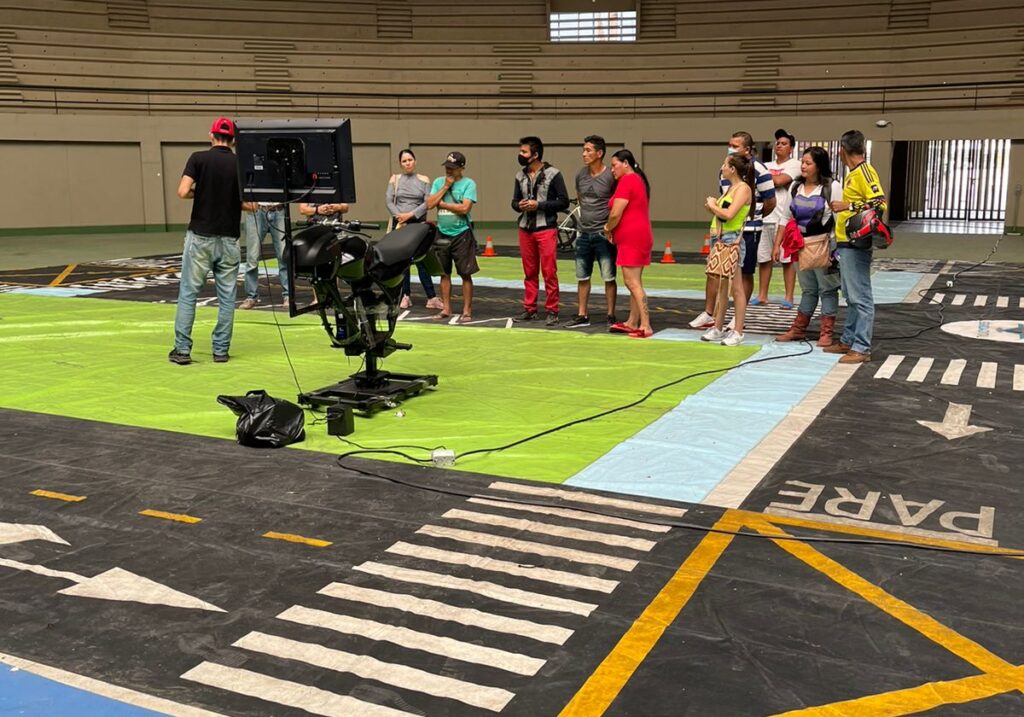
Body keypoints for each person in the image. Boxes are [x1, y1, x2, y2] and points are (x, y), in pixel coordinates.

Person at [169, 117, 246, 365]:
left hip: (200, 237)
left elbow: (182, 191)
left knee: (188, 293)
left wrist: (201, 192)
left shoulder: (198, 158)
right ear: (233, 140)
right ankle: (220, 351)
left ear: (211, 136)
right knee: (227, 298)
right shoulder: (240, 163)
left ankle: (182, 351)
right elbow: (251, 205)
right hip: (229, 239)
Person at [689, 132, 775, 328]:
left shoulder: (758, 172)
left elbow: (770, 200)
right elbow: (725, 204)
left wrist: (751, 216)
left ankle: (737, 319)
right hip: (723, 231)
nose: (731, 149)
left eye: (735, 146)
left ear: (747, 149)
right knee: (716, 274)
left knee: (742, 275)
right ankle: (711, 314)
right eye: (730, 144)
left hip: (743, 231)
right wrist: (715, 208)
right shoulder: (726, 173)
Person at [824, 129, 887, 364]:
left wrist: (847, 205)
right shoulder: (853, 173)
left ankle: (861, 346)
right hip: (846, 241)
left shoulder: (865, 172)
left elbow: (879, 203)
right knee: (850, 294)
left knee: (860, 294)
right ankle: (849, 340)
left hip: (857, 242)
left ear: (842, 150)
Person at [774, 147, 843, 346]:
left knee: (827, 289)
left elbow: (839, 220)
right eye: (802, 162)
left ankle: (826, 333)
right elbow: (785, 217)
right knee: (808, 289)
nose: (803, 166)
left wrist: (838, 249)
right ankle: (798, 329)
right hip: (800, 246)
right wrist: (777, 245)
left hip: (824, 245)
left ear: (819, 166)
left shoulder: (832, 186)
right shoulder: (795, 187)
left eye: (808, 163)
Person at [512, 136, 569, 325]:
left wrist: (539, 205)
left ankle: (552, 310)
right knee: (529, 272)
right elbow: (514, 201)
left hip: (546, 229)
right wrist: (519, 205)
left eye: (524, 152)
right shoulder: (519, 176)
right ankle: (530, 309)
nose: (520, 155)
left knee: (549, 272)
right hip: (525, 230)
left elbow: (563, 201)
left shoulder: (554, 174)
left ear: (535, 155)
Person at [565, 135, 618, 329]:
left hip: (603, 233)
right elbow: (580, 198)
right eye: (583, 150)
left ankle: (611, 314)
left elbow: (617, 202)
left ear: (599, 153)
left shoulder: (610, 176)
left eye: (588, 150)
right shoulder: (581, 175)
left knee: (609, 276)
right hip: (583, 232)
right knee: (582, 276)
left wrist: (610, 227)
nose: (584, 154)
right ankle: (582, 314)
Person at [701, 154, 752, 346]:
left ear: (733, 169)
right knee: (722, 286)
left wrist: (713, 205)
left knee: (736, 288)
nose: (722, 168)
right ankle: (718, 327)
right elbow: (722, 215)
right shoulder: (730, 188)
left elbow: (729, 214)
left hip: (732, 240)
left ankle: (738, 331)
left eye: (724, 164)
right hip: (720, 238)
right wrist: (713, 208)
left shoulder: (743, 189)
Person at [385, 149, 443, 311]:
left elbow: (427, 203)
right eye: (404, 161)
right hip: (401, 225)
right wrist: (400, 217)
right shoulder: (395, 179)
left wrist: (410, 215)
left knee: (422, 261)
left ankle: (431, 297)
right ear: (400, 164)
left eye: (410, 160)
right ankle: (405, 295)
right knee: (403, 262)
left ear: (415, 161)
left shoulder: (424, 179)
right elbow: (388, 201)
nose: (408, 163)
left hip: (418, 225)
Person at [605, 149, 654, 338]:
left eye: (614, 165)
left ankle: (645, 325)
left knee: (631, 282)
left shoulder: (627, 181)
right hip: (638, 235)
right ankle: (633, 321)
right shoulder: (637, 180)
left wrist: (607, 228)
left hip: (632, 237)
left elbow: (616, 213)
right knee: (635, 282)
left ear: (625, 163)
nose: (612, 170)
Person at [426, 151, 479, 322]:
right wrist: (445, 187)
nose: (449, 170)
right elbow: (430, 204)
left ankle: (466, 310)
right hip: (442, 233)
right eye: (447, 166)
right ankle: (446, 309)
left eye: (453, 167)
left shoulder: (469, 184)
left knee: (465, 273)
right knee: (444, 273)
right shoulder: (438, 182)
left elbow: (465, 208)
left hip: (462, 233)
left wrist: (443, 204)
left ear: (461, 168)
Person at [754, 129, 802, 307]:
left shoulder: (795, 165)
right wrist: (768, 179)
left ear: (791, 148)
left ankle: (788, 297)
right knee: (764, 258)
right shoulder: (766, 164)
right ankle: (762, 295)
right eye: (778, 143)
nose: (779, 146)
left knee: (786, 259)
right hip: (765, 216)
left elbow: (780, 181)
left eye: (784, 143)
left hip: (784, 218)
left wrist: (765, 179)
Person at [239, 202, 288, 310]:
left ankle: (288, 295)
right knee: (252, 257)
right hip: (257, 211)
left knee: (283, 256)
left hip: (279, 209)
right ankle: (251, 296)